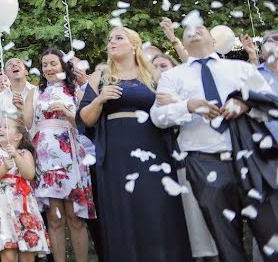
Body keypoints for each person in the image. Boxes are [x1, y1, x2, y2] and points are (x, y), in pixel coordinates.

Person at [150, 23, 272, 262]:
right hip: (203, 162)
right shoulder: (173, 77)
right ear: (183, 44)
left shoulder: (239, 69)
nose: (193, 32)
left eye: (200, 29)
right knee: (226, 240)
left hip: (250, 158)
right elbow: (158, 117)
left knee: (270, 233)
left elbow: (269, 104)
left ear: (213, 40)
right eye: (187, 31)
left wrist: (245, 104)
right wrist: (188, 105)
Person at [77, 28, 191, 262]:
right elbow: (85, 119)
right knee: (123, 210)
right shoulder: (100, 77)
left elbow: (173, 105)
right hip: (115, 154)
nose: (112, 42)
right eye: (109, 39)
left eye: (119, 38)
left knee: (156, 206)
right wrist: (99, 99)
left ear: (134, 44)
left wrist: (173, 100)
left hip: (152, 149)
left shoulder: (152, 75)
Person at [144, 40, 219, 262]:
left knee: (200, 215)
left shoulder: (186, 87)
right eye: (154, 67)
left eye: (163, 66)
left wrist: (177, 100)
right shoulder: (147, 94)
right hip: (157, 163)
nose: (158, 70)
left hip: (187, 158)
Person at [23, 49, 94, 262]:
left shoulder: (77, 92)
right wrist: (23, 104)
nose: (48, 68)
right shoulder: (34, 93)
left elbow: (86, 124)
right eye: (44, 65)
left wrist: (67, 112)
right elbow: (27, 124)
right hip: (45, 158)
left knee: (74, 217)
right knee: (54, 218)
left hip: (71, 154)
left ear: (63, 66)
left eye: (53, 63)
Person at [0, 118, 49, 261]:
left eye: (6, 127)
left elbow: (29, 174)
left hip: (23, 206)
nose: (0, 129)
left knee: (27, 249)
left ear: (18, 137)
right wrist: (4, 168)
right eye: (0, 126)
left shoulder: (25, 154)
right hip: (2, 205)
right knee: (8, 250)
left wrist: (16, 156)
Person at [0, 57, 37, 125]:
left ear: (26, 71)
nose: (14, 65)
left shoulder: (38, 93)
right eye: (10, 64)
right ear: (6, 74)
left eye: (18, 62)